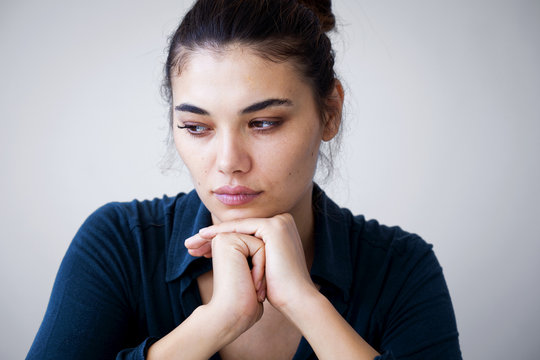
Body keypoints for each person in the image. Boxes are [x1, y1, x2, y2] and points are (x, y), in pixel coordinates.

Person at [27, 0, 462, 359]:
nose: (228, 162)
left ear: (329, 112)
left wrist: (306, 303)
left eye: (264, 123)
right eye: (197, 127)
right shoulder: (120, 244)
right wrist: (218, 322)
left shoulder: (400, 268)